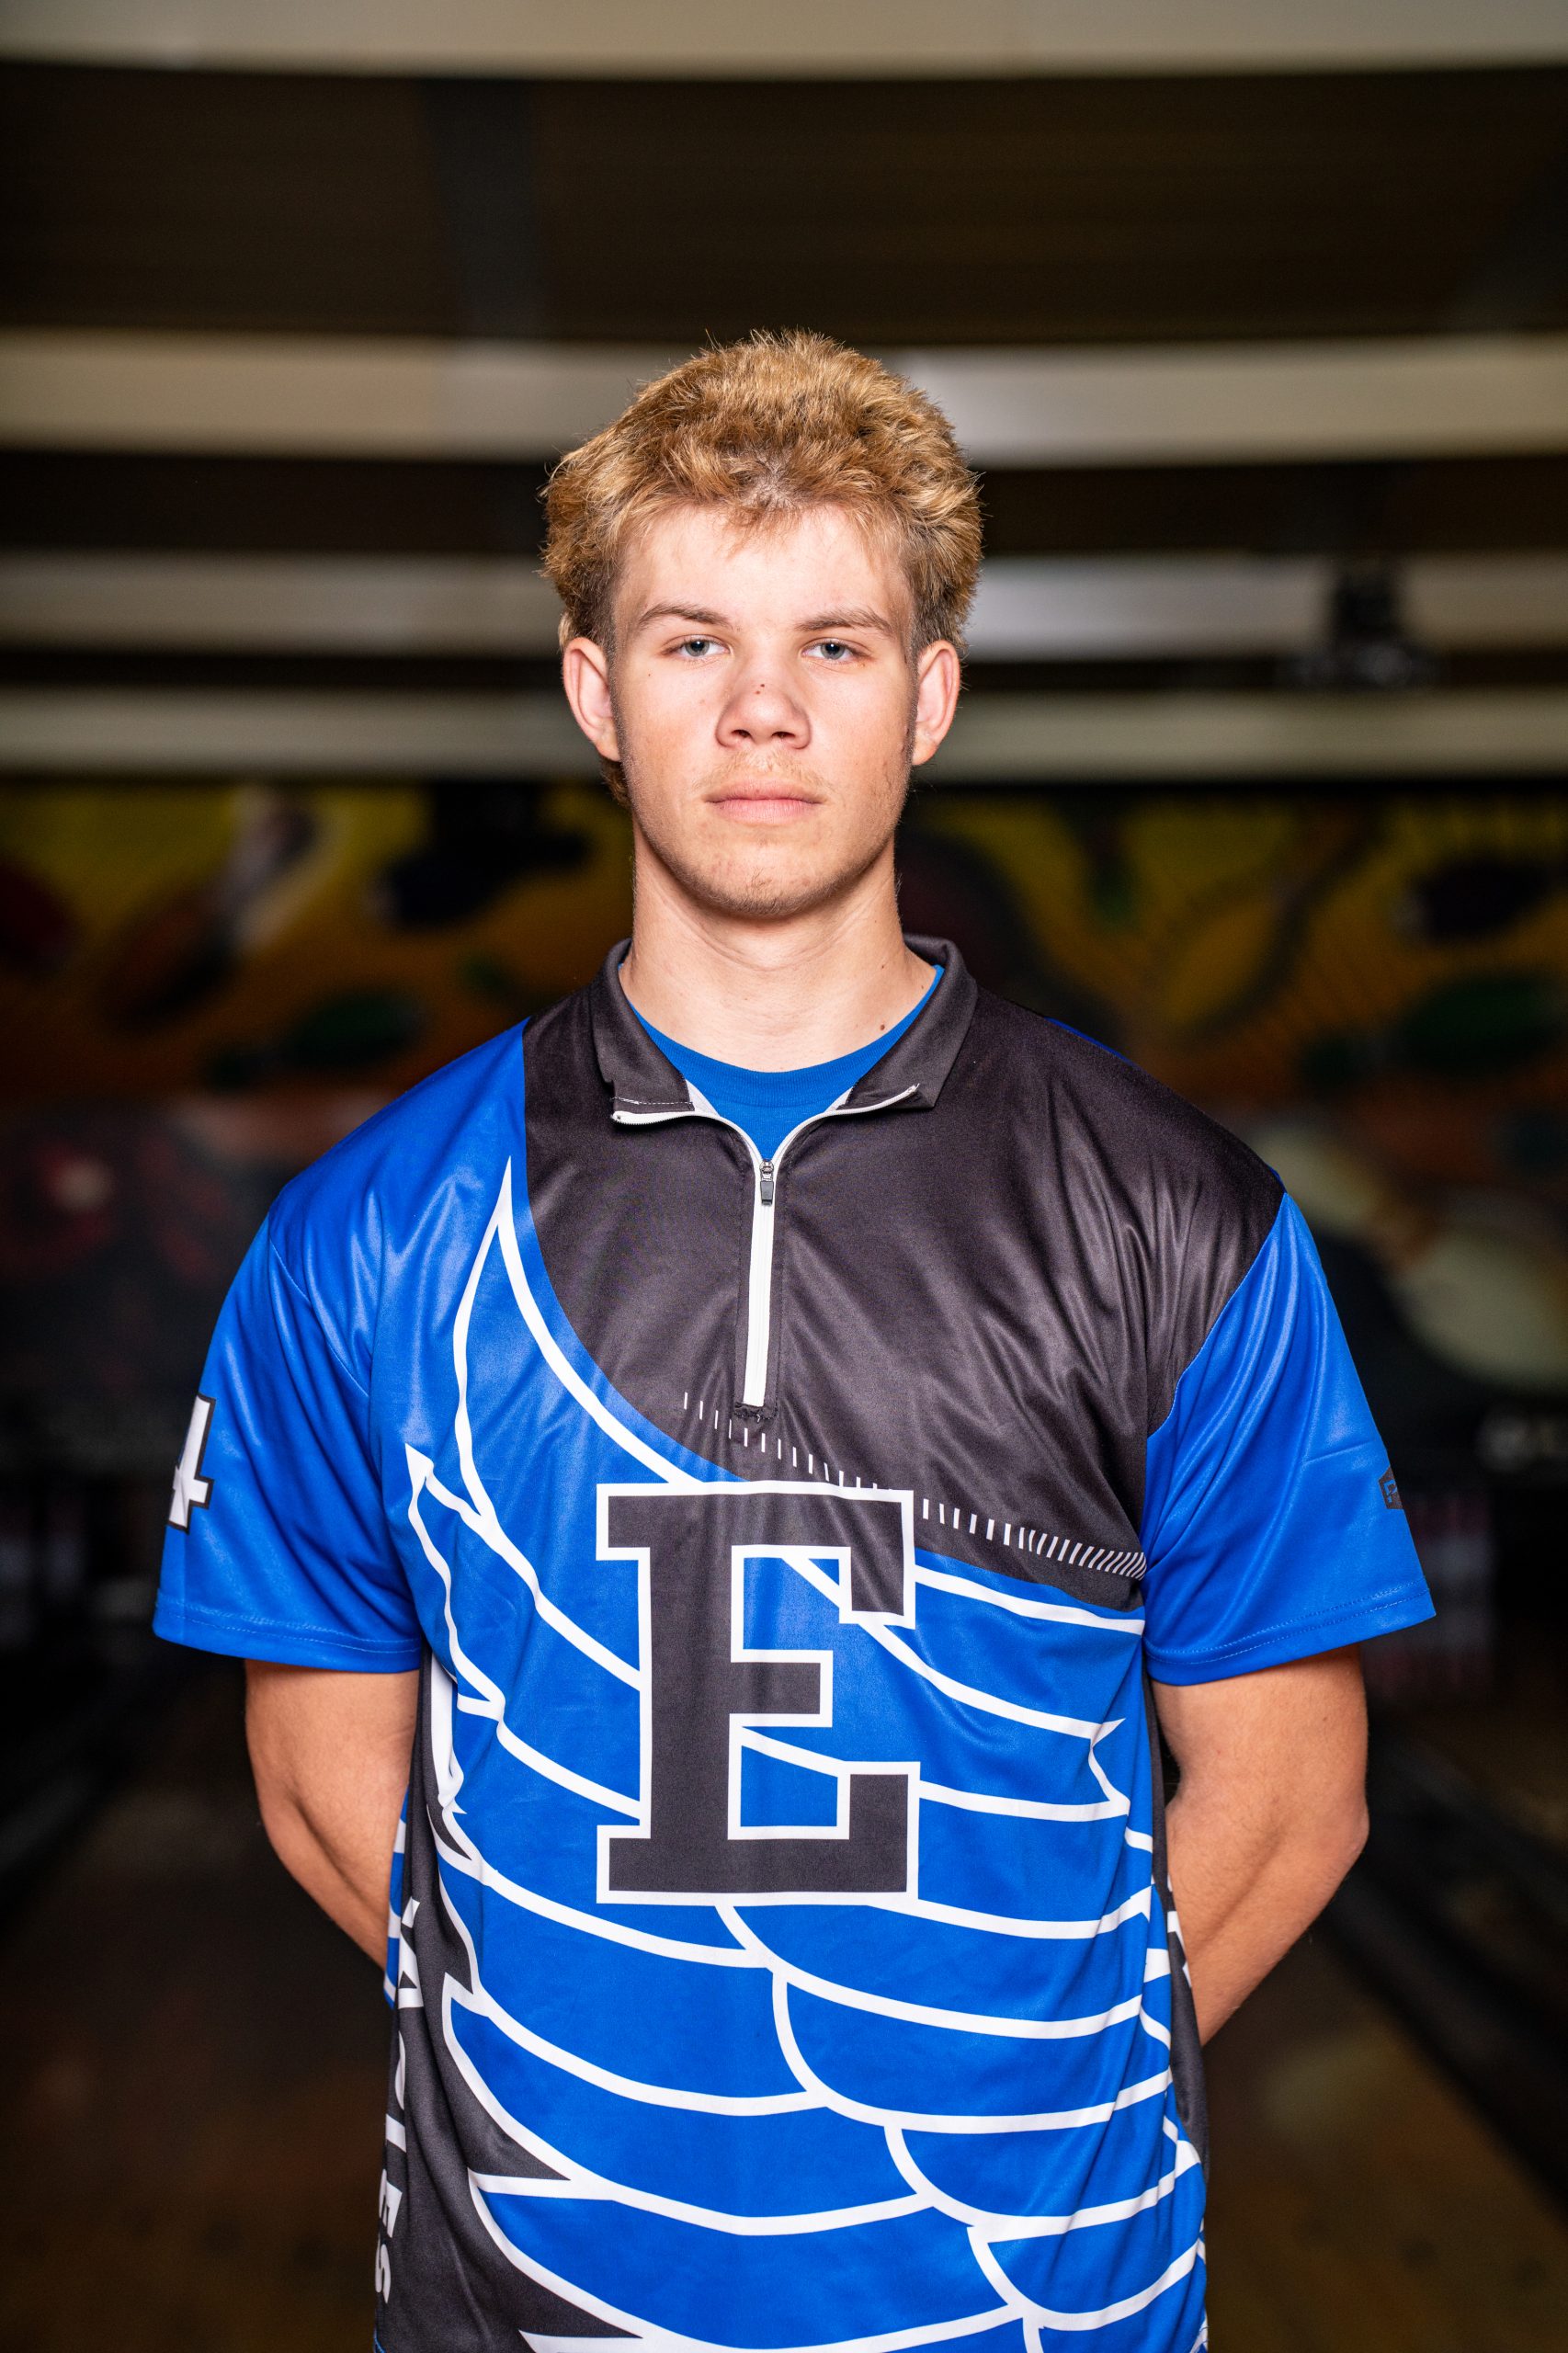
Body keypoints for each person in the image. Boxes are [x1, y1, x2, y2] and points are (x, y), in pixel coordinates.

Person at [154, 332, 1434, 2353]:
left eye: (835, 645)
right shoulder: (368, 1231)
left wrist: (1014, 2098)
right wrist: (600, 2063)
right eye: (692, 644)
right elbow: (328, 1793)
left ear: (929, 694)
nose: (763, 708)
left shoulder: (1175, 1212)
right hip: (526, 2299)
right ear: (596, 691)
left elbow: (1288, 1799)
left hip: (1040, 2300)